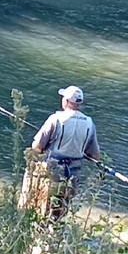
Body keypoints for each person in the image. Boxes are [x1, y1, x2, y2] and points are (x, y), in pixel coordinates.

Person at [23, 85, 101, 221]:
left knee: (44, 209)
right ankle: (56, 231)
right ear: (79, 103)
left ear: (66, 101)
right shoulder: (89, 123)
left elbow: (37, 147)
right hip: (73, 175)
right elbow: (95, 155)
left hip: (52, 172)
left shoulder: (56, 119)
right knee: (60, 211)